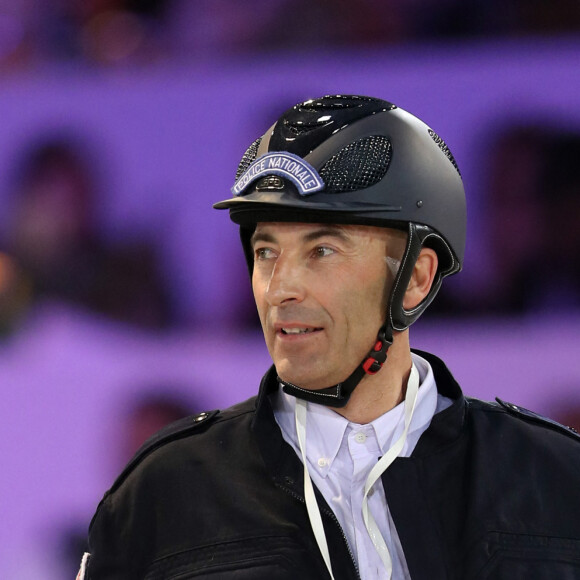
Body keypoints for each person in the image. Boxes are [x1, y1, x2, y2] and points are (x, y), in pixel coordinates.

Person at [81, 95, 580, 579]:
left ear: (416, 278)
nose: (280, 290)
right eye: (266, 252)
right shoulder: (164, 492)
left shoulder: (555, 477)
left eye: (322, 250)